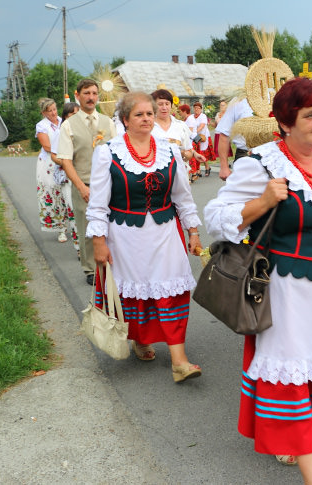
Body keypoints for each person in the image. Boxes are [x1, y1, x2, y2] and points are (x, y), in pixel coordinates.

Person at [204, 77, 312, 485]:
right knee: (290, 365)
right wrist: (265, 201)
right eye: (311, 116)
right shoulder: (261, 163)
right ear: (286, 122)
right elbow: (215, 217)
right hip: (284, 287)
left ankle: (299, 437)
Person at [86, 91, 203, 382]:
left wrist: (193, 231)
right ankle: (141, 338)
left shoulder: (170, 150)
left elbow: (183, 197)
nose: (146, 119)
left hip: (164, 232)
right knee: (136, 293)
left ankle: (179, 359)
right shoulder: (108, 152)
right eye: (139, 114)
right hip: (125, 236)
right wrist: (98, 242)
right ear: (125, 119)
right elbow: (98, 203)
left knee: (172, 291)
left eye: (149, 113)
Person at [56, 79, 117, 285]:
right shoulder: (68, 125)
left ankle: (114, 263)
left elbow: (117, 152)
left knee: (113, 226)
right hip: (84, 183)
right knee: (88, 228)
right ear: (78, 95)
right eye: (86, 93)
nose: (91, 97)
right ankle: (91, 269)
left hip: (110, 184)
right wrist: (81, 187)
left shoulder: (108, 122)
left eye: (94, 93)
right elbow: (66, 160)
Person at [50, 102, 81, 254]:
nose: (75, 117)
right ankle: (79, 247)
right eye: (72, 114)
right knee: (73, 210)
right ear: (65, 117)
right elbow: (54, 155)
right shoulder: (61, 132)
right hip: (68, 177)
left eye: (77, 113)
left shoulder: (85, 130)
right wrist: (68, 162)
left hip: (85, 175)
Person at [34, 98, 64, 239]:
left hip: (64, 159)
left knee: (66, 193)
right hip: (49, 163)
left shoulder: (63, 121)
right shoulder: (42, 126)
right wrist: (64, 150)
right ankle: (60, 228)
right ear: (44, 113)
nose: (53, 112)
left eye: (54, 109)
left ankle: (71, 223)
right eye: (49, 111)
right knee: (53, 192)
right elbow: (47, 146)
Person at [215, 97, 254, 181]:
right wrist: (224, 167)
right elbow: (224, 134)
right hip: (245, 155)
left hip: (274, 156)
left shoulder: (277, 95)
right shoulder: (238, 101)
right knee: (244, 192)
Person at [192, 102, 213, 175]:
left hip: (203, 136)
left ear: (201, 109)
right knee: (195, 151)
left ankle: (207, 167)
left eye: (198, 108)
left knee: (202, 152)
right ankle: (198, 170)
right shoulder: (192, 116)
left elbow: (202, 125)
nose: (196, 109)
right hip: (195, 136)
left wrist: (194, 131)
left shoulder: (203, 116)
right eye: (195, 108)